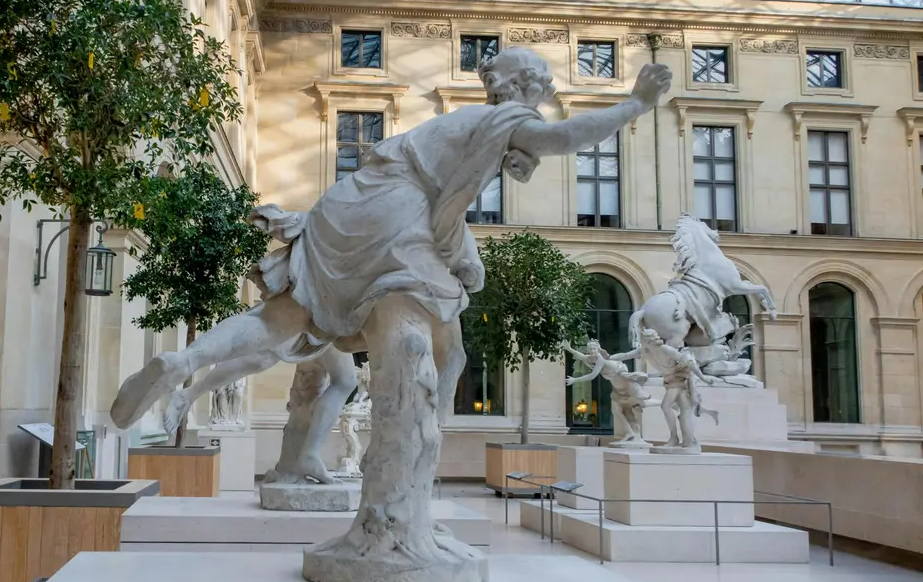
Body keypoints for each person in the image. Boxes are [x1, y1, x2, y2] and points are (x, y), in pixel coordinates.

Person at [111, 48, 672, 477]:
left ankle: (185, 362)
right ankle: (420, 443)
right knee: (445, 337)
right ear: (527, 87)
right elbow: (563, 137)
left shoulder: (463, 124)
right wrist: (636, 104)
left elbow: (463, 204)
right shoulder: (503, 118)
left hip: (346, 202)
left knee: (286, 317)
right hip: (394, 213)